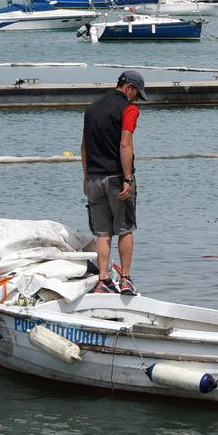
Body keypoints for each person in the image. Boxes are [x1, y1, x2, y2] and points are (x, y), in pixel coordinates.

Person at [81, 70, 144, 295]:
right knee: (125, 229)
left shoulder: (92, 109)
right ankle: (125, 279)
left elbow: (84, 146)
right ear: (129, 88)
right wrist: (127, 178)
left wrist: (85, 176)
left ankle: (103, 281)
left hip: (94, 179)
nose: (137, 99)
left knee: (102, 233)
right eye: (137, 94)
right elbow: (125, 144)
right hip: (117, 179)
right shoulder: (128, 109)